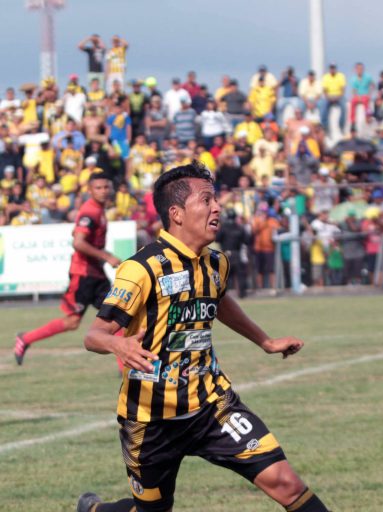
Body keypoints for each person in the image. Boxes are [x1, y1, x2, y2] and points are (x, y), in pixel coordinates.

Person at [76, 162, 329, 512]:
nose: (217, 208)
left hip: (212, 406)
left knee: (287, 483)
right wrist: (118, 343)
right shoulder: (141, 268)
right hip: (150, 419)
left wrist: (265, 342)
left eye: (216, 200)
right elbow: (94, 335)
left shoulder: (216, 263)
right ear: (176, 213)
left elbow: (220, 301)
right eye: (206, 200)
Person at [14, 173, 121, 365]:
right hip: (83, 274)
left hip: (95, 274)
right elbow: (78, 243)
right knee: (74, 321)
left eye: (106, 187)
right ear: (90, 190)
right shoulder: (90, 211)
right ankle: (25, 338)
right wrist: (106, 256)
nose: (103, 191)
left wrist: (104, 255)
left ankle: (126, 370)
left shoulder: (98, 209)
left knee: (117, 315)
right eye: (98, 188)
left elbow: (80, 235)